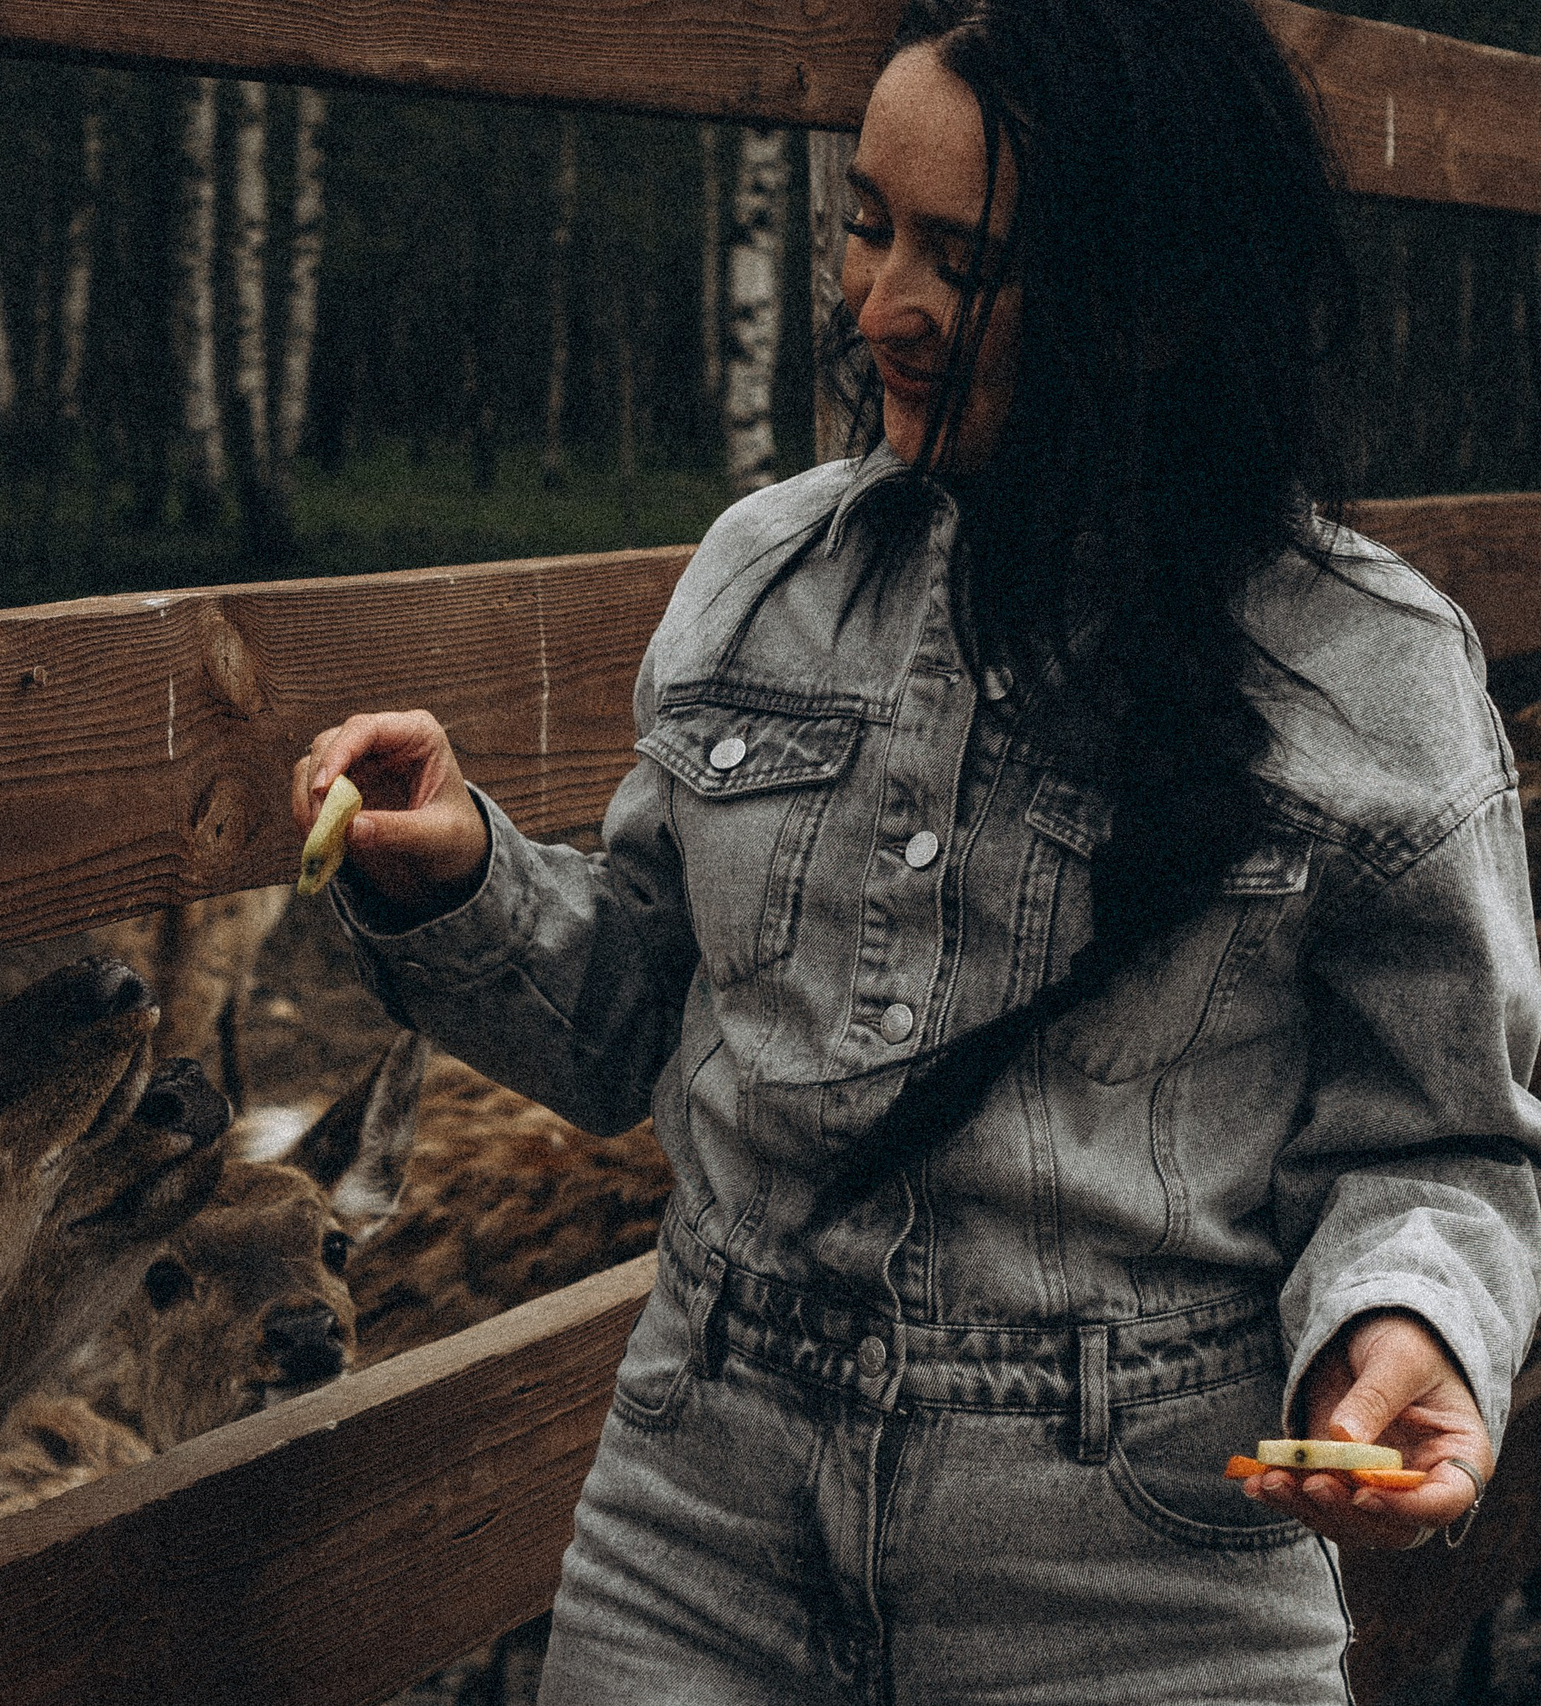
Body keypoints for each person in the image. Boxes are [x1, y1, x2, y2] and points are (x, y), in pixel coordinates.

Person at [292, 0, 1541, 1698]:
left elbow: (1447, 1140)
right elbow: (623, 1020)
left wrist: (1402, 1333)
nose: (879, 306)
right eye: (867, 224)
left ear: (1159, 301)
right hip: (700, 1526)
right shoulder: (763, 577)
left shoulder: (1374, 674)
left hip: (1138, 1575)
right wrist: (454, 877)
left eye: (964, 259)